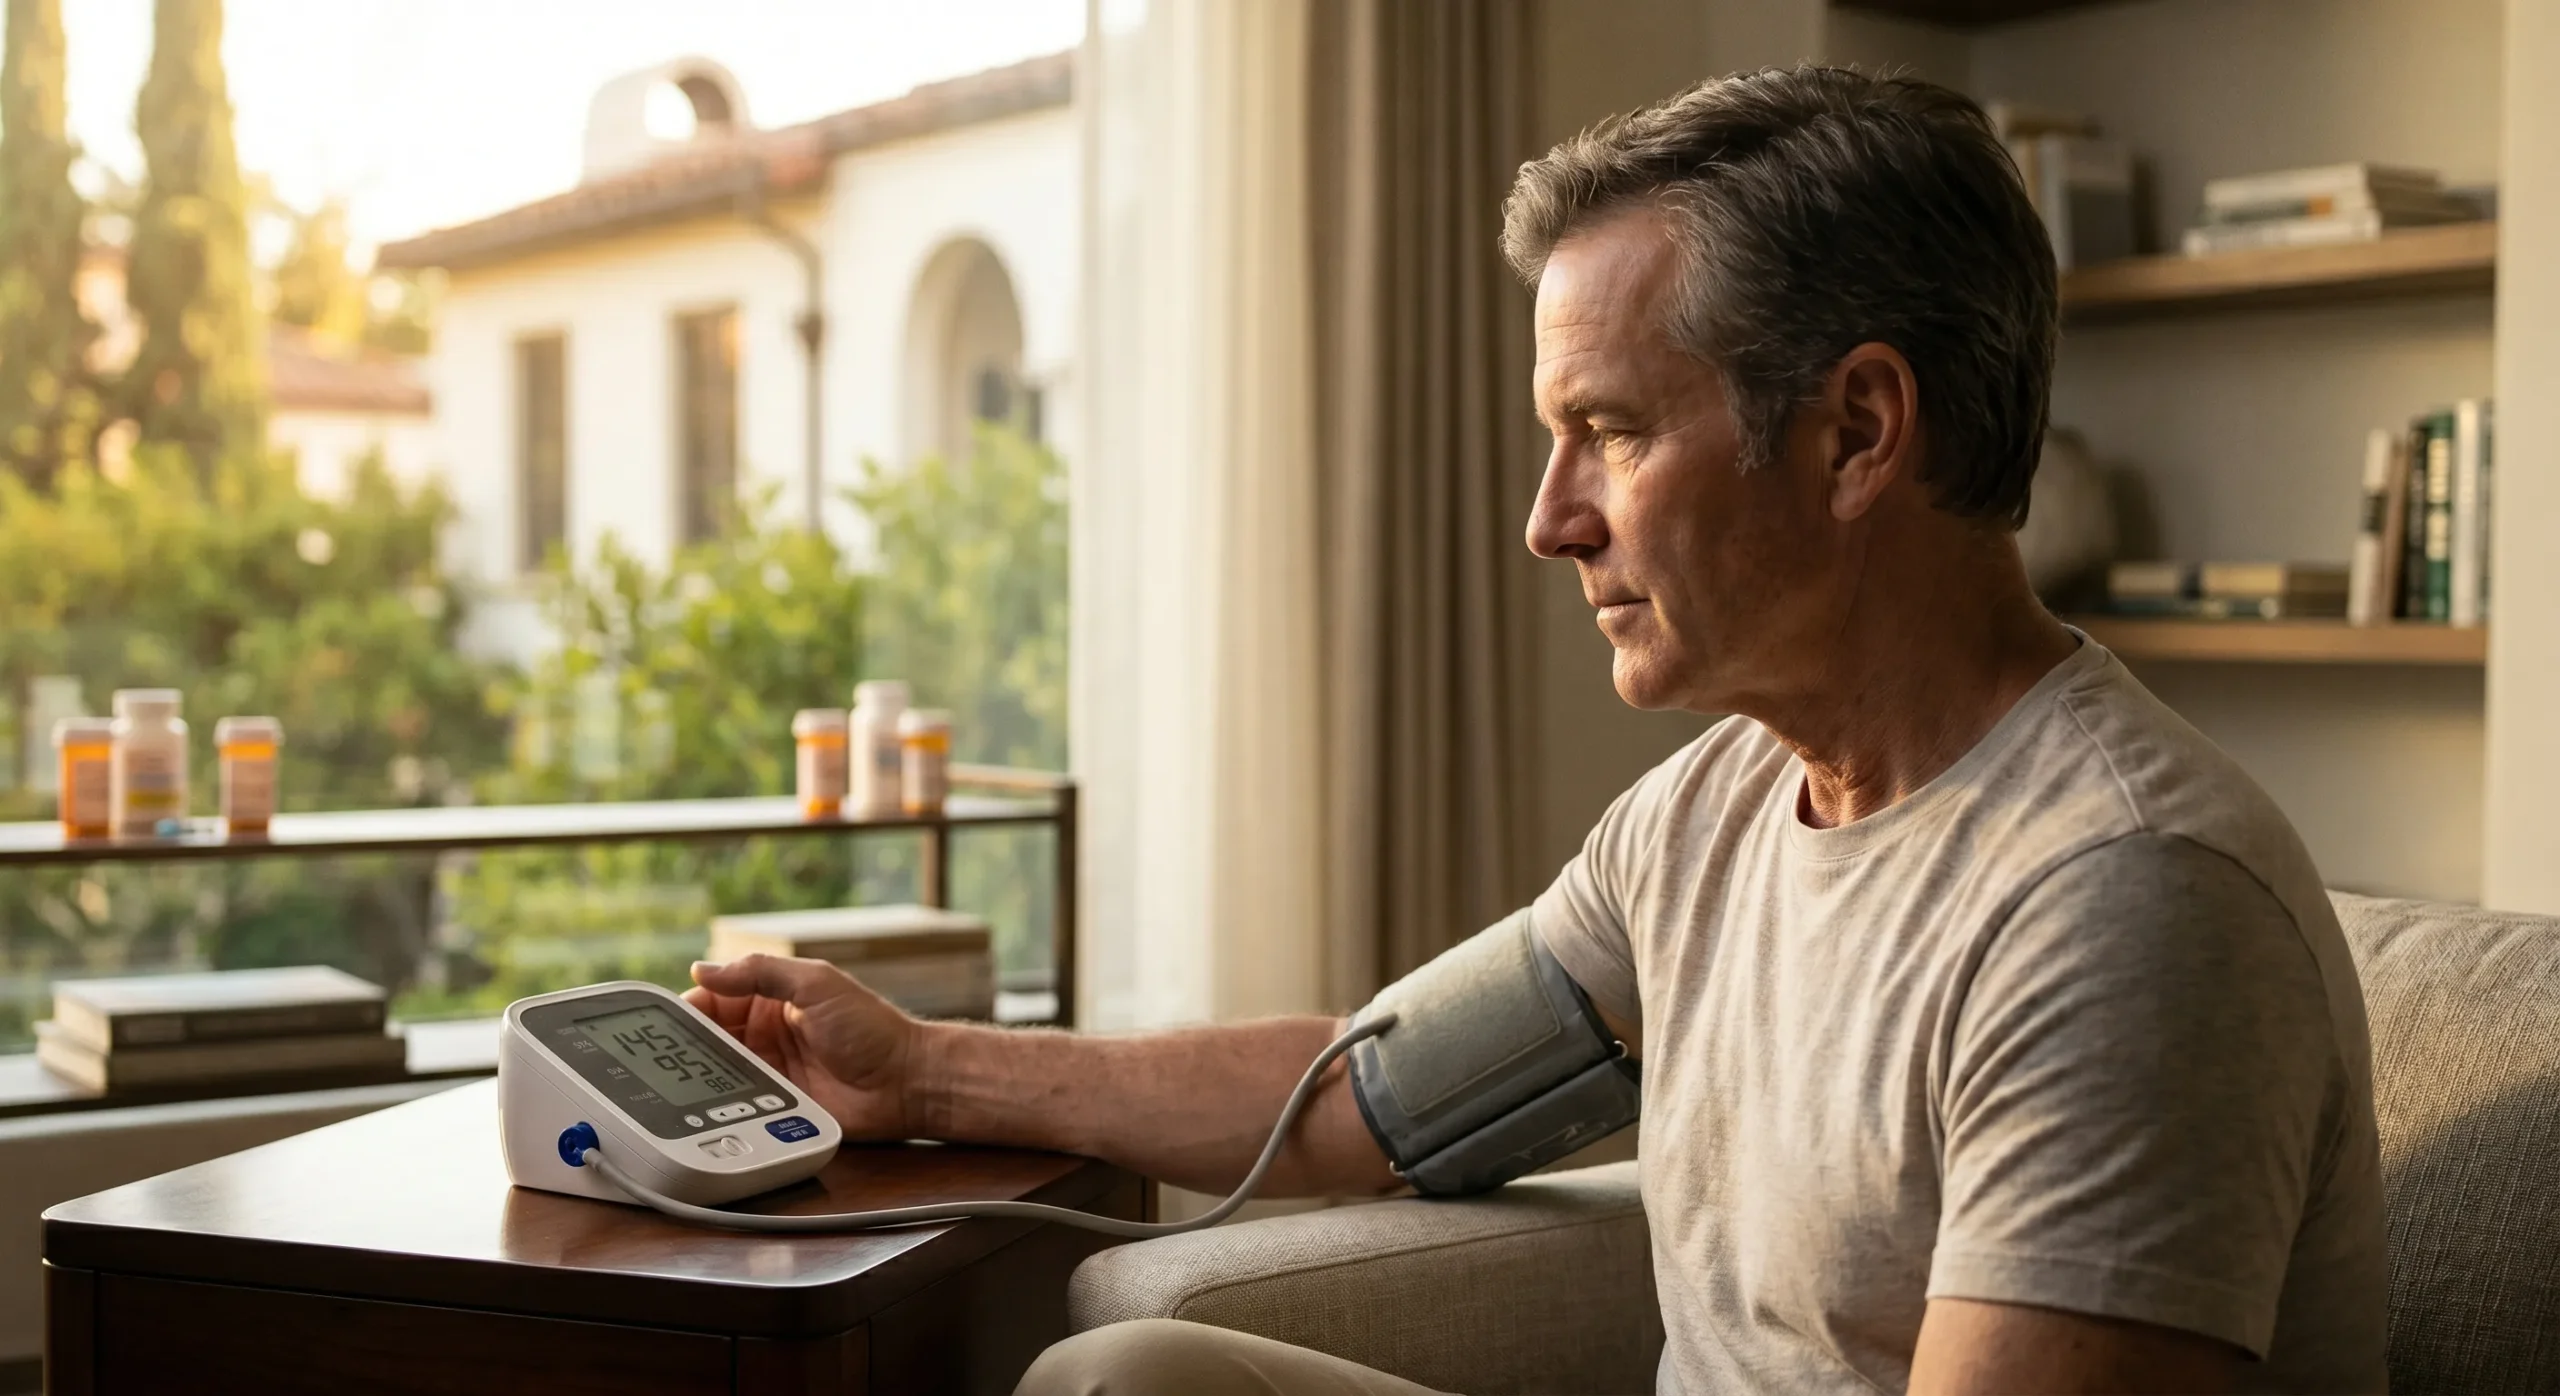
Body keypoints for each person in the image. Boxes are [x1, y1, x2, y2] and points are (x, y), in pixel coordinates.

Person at [687, 65, 2387, 1395]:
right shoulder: (1711, 815)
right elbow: (1370, 1100)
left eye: (1611, 432)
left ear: (1860, 432)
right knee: (1131, 1380)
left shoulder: (2123, 904)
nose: (1549, 520)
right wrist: (922, 1070)